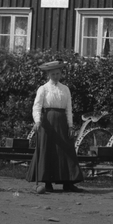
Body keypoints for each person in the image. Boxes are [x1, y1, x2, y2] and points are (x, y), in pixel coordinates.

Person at [26, 60, 83, 194]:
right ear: (48, 74)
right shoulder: (43, 89)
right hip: (48, 123)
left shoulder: (65, 89)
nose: (56, 76)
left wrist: (70, 125)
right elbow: (37, 107)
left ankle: (68, 183)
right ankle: (47, 182)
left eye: (58, 74)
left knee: (66, 150)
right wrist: (38, 121)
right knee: (47, 150)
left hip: (62, 122)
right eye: (53, 74)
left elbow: (69, 108)